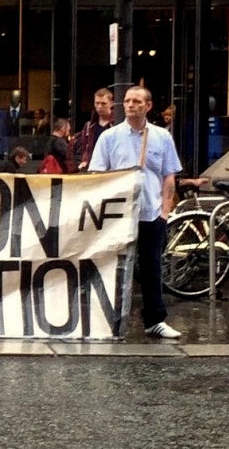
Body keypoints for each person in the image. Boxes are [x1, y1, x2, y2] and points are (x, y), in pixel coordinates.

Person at [88, 86, 182, 339]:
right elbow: (97, 175)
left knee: (152, 266)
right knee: (111, 265)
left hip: (150, 212)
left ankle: (155, 320)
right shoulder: (109, 137)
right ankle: (105, 319)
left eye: (137, 101)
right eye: (127, 101)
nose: (131, 105)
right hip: (118, 214)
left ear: (148, 106)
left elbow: (168, 175)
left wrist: (164, 212)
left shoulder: (162, 137)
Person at [75, 87, 115, 171]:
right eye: (97, 103)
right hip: (93, 168)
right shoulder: (88, 126)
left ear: (111, 104)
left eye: (103, 103)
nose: (99, 106)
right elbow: (84, 148)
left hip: (113, 169)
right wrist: (84, 161)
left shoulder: (117, 124)